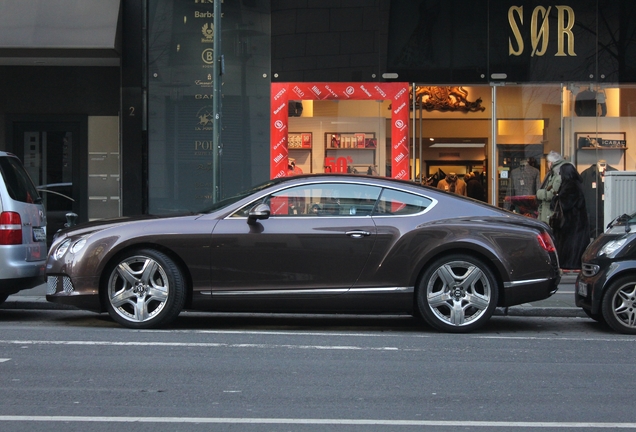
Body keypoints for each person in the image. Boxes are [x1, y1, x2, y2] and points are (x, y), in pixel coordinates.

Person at [553, 163, 590, 269]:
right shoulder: (575, 184)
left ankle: (570, 263)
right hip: (575, 222)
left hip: (572, 223)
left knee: (571, 245)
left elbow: (565, 203)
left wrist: (555, 198)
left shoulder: (570, 185)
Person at [536, 151, 565, 224]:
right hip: (548, 212)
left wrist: (539, 193)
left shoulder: (558, 176)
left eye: (548, 162)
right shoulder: (552, 174)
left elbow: (552, 195)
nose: (547, 164)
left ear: (552, 162)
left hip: (550, 212)